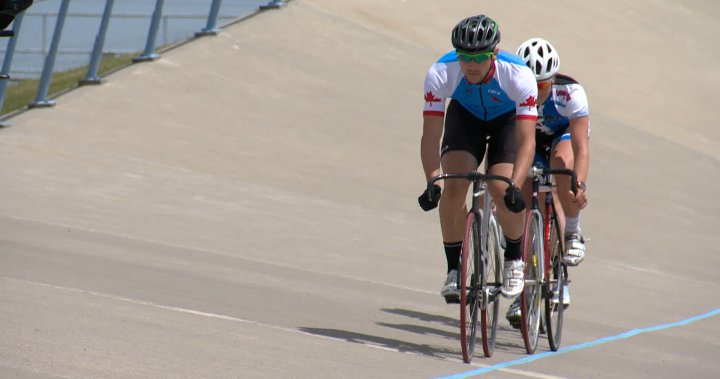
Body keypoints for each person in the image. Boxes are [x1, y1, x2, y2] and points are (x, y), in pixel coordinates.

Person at [418, 15, 538, 303]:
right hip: (466, 118)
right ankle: (453, 270)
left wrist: (515, 186)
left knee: (501, 188)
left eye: (480, 57)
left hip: (507, 121)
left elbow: (526, 141)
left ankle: (513, 257)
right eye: (464, 57)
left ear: (494, 53)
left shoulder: (518, 76)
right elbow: (430, 137)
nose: (471, 65)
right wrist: (432, 180)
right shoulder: (440, 73)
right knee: (454, 184)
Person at [506, 37, 590, 326]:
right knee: (528, 206)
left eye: (542, 85)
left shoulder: (572, 93)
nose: (536, 91)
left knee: (562, 165)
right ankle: (526, 290)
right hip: (530, 142)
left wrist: (579, 184)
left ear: (552, 80)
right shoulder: (511, 90)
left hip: (560, 138)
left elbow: (581, 148)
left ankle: (572, 232)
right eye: (530, 82)